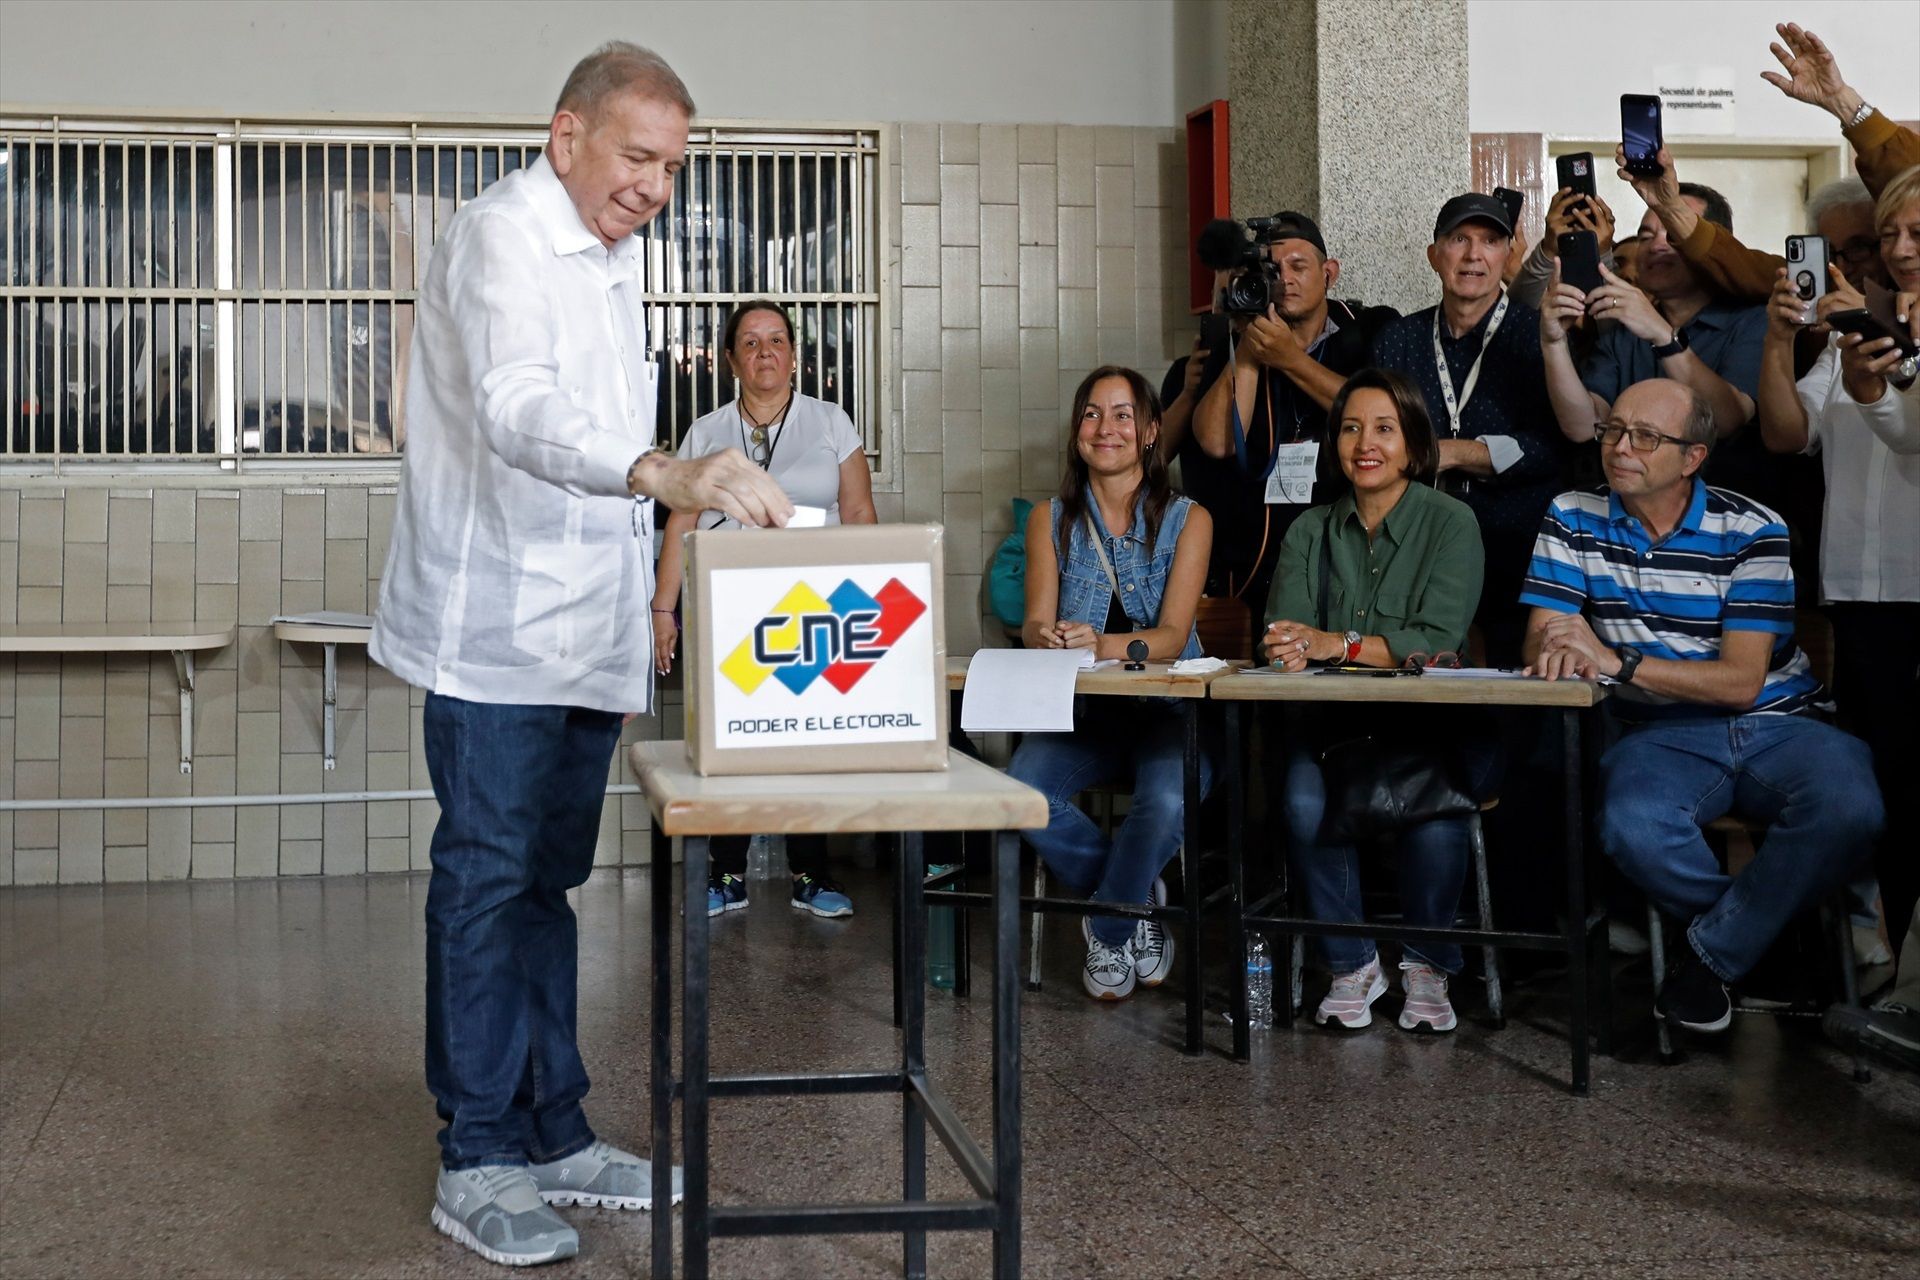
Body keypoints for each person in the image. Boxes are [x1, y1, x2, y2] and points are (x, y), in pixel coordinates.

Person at [371, 42, 793, 1267]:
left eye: (672, 165)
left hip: (585, 631)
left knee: (549, 881)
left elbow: (593, 423)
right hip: (496, 632)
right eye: (637, 156)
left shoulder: (619, 256)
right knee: (488, 879)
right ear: (567, 137)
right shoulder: (505, 233)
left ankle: (555, 1128)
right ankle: (480, 1152)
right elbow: (519, 408)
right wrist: (670, 471)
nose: (655, 185)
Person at [1522, 378, 1883, 1034]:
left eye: (1645, 437)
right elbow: (1547, 643)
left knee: (1852, 806)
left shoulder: (1753, 528)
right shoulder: (1571, 514)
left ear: (1692, 458)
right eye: (1614, 431)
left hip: (1782, 722)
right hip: (1660, 731)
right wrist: (1567, 645)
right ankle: (1761, 944)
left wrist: (1617, 660)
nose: (1620, 448)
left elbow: (1741, 683)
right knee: (1632, 824)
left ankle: (1711, 956)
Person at [1262, 368, 1496, 1033]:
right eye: (1351, 428)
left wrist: (1333, 643)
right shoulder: (1311, 530)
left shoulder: (1452, 523)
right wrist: (1290, 646)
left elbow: (1433, 640)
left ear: (1415, 444)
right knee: (1303, 799)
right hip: (1331, 725)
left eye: (1385, 429)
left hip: (1427, 725)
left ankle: (1427, 964)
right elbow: (1287, 633)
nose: (1365, 443)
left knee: (1436, 809)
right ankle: (1352, 963)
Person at [652, 299, 877, 919]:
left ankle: (812, 872)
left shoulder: (830, 421)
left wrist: (866, 599)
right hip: (731, 607)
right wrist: (662, 610)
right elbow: (682, 524)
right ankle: (726, 874)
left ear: (794, 355)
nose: (764, 353)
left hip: (816, 607)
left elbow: (858, 513)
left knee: (809, 739)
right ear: (730, 360)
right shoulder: (706, 431)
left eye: (776, 340)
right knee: (730, 741)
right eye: (749, 343)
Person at [1757, 166, 1920, 985]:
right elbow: (1789, 437)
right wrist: (1782, 338)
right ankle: (1879, 966)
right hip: (1862, 590)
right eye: (1887, 237)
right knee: (1878, 776)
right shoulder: (1856, 329)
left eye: (1910, 235)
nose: (1896, 251)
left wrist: (1886, 380)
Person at [1007, 365, 1214, 1002]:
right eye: (1093, 414)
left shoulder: (1189, 519)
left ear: (1151, 431)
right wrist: (1047, 637)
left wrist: (1095, 643)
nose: (1107, 428)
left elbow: (1174, 637)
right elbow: (1034, 623)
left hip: (1170, 713)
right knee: (1020, 791)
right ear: (1077, 434)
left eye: (1123, 414)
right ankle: (1133, 893)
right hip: (1086, 713)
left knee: (1167, 801)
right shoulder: (1050, 518)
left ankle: (1109, 921)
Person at [1161, 212, 1397, 641]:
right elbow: (1215, 441)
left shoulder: (1371, 331)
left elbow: (1383, 418)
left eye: (1298, 266)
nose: (1283, 279)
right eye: (1272, 269)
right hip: (1256, 559)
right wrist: (1250, 352)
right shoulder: (1237, 342)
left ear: (1329, 273)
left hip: (1349, 550)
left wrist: (1290, 359)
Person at [1371, 192, 1583, 663]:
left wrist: (1459, 452)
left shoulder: (1540, 333)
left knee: (1513, 700)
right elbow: (1379, 439)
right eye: (1459, 240)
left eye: (1490, 242)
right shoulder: (1399, 340)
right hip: (1420, 548)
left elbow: (1557, 446)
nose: (1473, 255)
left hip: (1519, 546)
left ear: (1508, 255)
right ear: (1434, 255)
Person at [1635, 21, 1920, 303]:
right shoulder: (1817, 296)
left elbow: (1909, 190)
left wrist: (1843, 102)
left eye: (1859, 249)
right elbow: (1745, 269)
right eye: (1827, 255)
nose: (1901, 251)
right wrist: (1669, 207)